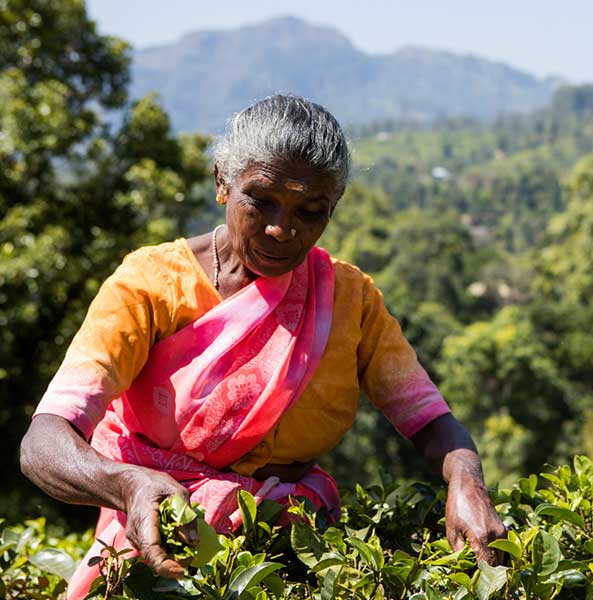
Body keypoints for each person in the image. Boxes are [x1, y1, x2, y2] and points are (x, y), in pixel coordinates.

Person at [20, 95, 506, 598]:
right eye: (261, 200)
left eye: (310, 211)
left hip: (290, 554)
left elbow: (428, 419)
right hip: (159, 549)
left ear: (332, 209)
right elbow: (44, 443)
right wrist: (127, 484)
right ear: (221, 183)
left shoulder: (349, 299)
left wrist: (467, 481)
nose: (281, 229)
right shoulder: (150, 285)